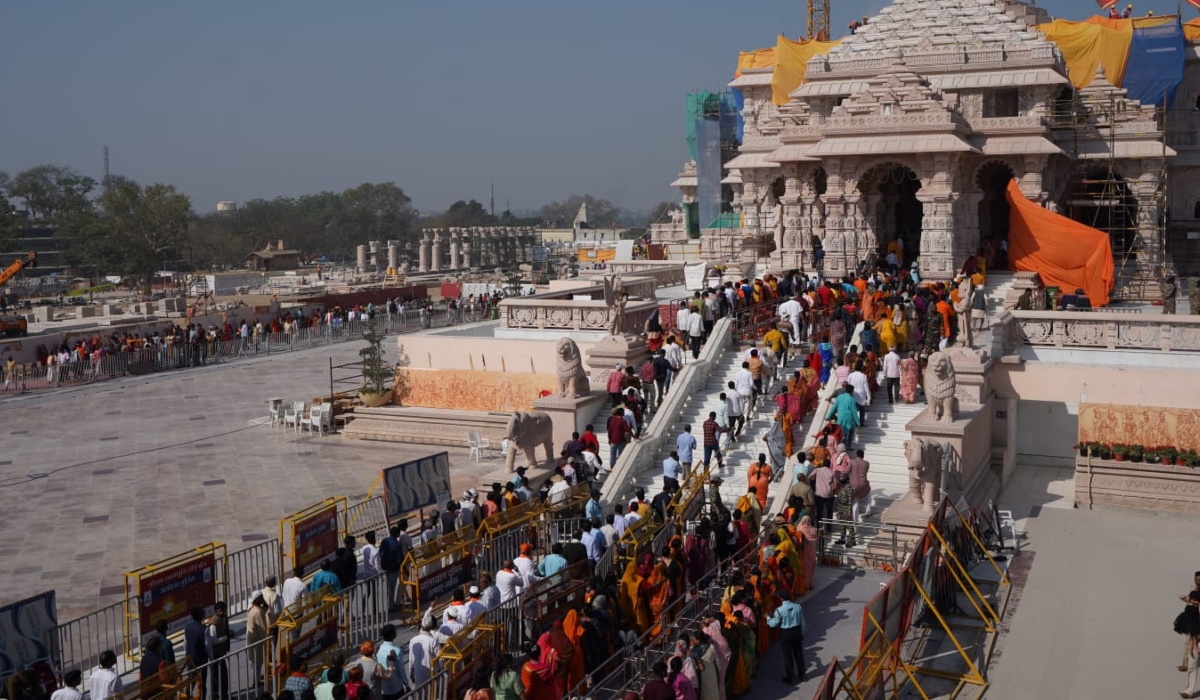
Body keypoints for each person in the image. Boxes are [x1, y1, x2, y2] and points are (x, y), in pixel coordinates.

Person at [767, 589, 808, 683]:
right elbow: (803, 622)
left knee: (787, 655)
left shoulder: (779, 610)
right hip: (796, 631)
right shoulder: (798, 606)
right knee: (799, 654)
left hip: (786, 633)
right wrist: (801, 633)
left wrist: (768, 618)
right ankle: (802, 675)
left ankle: (791, 677)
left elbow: (774, 624)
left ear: (781, 598)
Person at [205, 601, 232, 700]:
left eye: (223, 610)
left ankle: (224, 695)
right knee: (215, 676)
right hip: (216, 654)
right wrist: (226, 637)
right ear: (216, 612)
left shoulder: (223, 619)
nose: (222, 612)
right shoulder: (213, 624)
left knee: (223, 675)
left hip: (222, 652)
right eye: (220, 611)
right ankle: (215, 696)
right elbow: (213, 640)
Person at [377, 623, 408, 700]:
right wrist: (406, 683)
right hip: (395, 687)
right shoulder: (397, 650)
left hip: (383, 688)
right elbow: (401, 670)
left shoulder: (379, 649)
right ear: (392, 636)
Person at [184, 608, 210, 699]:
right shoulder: (204, 629)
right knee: (202, 682)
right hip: (201, 660)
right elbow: (207, 646)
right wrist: (211, 658)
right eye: (202, 612)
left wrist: (187, 655)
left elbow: (185, 643)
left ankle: (186, 697)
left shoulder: (187, 627)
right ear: (200, 615)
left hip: (190, 659)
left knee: (190, 682)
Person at [849, 449, 872, 521]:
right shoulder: (867, 463)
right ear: (863, 456)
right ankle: (868, 510)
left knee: (855, 501)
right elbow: (865, 471)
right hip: (863, 484)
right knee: (868, 493)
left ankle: (855, 520)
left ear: (856, 455)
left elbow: (847, 471)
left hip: (853, 484)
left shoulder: (852, 462)